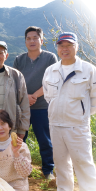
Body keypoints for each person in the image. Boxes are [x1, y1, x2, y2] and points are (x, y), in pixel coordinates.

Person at [43, 32, 96, 191]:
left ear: (76, 47)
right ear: (57, 48)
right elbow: (48, 95)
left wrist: (83, 115)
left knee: (83, 159)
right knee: (60, 160)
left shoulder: (88, 69)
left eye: (69, 45)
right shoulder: (51, 70)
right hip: (55, 123)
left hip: (77, 124)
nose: (65, 49)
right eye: (61, 45)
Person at [13, 26, 58, 180]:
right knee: (20, 139)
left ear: (41, 40)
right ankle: (20, 169)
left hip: (43, 106)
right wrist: (26, 97)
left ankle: (48, 171)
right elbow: (15, 82)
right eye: (28, 38)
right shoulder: (19, 59)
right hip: (23, 107)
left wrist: (34, 96)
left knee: (45, 139)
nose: (32, 41)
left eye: (35, 38)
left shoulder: (50, 58)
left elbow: (52, 81)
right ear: (25, 41)